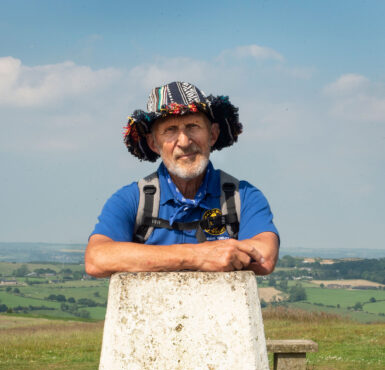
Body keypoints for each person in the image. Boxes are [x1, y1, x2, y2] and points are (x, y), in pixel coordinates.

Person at [85, 82, 279, 277]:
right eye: (170, 130)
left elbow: (265, 257)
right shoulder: (133, 199)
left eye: (193, 126)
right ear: (153, 143)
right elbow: (96, 259)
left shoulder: (242, 196)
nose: (184, 142)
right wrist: (196, 256)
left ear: (212, 134)